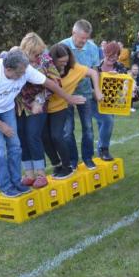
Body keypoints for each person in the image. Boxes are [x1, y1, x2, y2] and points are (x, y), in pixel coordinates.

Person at [0, 48, 88, 195]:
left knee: (15, 146)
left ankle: (17, 182)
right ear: (8, 69)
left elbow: (50, 84)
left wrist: (70, 98)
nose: (24, 76)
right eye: (19, 74)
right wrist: (1, 125)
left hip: (7, 107)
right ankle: (6, 186)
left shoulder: (25, 69)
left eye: (24, 72)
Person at [42, 44, 102, 179]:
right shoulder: (46, 70)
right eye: (61, 62)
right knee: (45, 138)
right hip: (44, 108)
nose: (64, 64)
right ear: (52, 61)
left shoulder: (75, 69)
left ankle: (68, 165)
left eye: (66, 61)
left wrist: (97, 91)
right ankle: (57, 164)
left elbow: (93, 72)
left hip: (60, 107)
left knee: (58, 136)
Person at [15, 33, 60, 189]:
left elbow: (56, 82)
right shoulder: (16, 58)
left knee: (33, 135)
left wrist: (40, 100)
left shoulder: (46, 60)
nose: (37, 56)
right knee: (21, 137)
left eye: (39, 53)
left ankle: (41, 174)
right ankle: (29, 174)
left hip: (38, 103)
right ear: (26, 51)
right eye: (34, 54)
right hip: (19, 105)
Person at [60, 19, 100, 170]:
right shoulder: (62, 46)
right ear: (73, 33)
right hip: (66, 95)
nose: (84, 41)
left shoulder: (92, 48)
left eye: (87, 38)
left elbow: (95, 70)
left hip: (85, 94)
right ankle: (72, 161)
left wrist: (97, 90)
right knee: (67, 130)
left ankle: (88, 158)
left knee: (88, 127)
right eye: (82, 37)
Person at [93, 41, 126, 161]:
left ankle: (100, 151)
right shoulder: (96, 66)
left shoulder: (120, 67)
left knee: (104, 124)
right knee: (108, 121)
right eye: (111, 56)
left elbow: (125, 86)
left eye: (116, 56)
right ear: (105, 53)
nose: (114, 58)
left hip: (110, 101)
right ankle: (103, 149)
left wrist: (117, 77)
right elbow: (90, 84)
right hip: (95, 100)